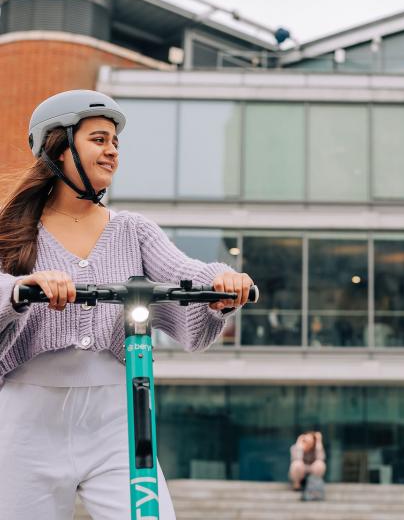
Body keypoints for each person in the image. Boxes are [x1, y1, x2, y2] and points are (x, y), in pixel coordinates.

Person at [0, 90, 254, 519]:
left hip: (118, 415)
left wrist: (222, 284)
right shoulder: (12, 228)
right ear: (59, 147)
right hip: (28, 416)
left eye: (115, 142)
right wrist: (21, 288)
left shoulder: (132, 230)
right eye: (99, 139)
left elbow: (184, 271)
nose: (112, 151)